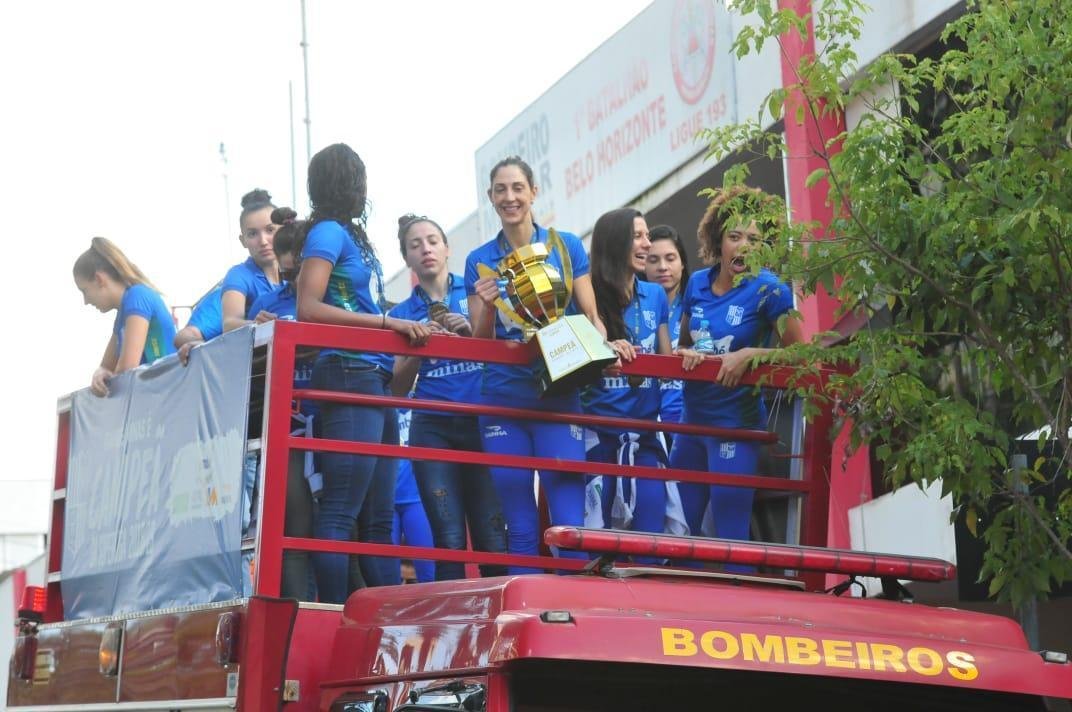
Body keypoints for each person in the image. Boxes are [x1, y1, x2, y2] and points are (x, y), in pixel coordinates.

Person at [295, 143, 434, 602]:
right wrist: (386, 322)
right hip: (346, 372)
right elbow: (308, 307)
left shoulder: (350, 236)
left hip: (372, 377)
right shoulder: (328, 233)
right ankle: (336, 616)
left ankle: (384, 621)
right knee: (340, 511)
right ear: (350, 182)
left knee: (377, 516)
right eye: (361, 178)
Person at [465, 156, 605, 574]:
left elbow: (591, 317)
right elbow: (480, 341)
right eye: (501, 190)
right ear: (491, 198)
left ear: (533, 191)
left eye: (517, 188)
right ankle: (523, 622)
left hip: (559, 393)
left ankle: (575, 623)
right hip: (503, 399)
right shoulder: (480, 258)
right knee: (520, 524)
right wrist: (487, 308)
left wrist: (604, 346)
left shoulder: (566, 246)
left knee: (569, 524)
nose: (510, 198)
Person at [671, 186, 803, 545]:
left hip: (736, 427)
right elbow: (681, 344)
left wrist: (750, 355)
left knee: (731, 537)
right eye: (735, 236)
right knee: (679, 533)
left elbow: (802, 356)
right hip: (690, 424)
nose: (744, 245)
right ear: (719, 240)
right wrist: (686, 353)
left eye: (754, 238)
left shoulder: (771, 290)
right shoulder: (696, 283)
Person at [390, 213, 507, 580]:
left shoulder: (474, 292)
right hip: (432, 427)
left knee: (492, 537)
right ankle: (453, 632)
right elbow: (395, 387)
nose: (425, 249)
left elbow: (500, 352)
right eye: (415, 245)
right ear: (406, 258)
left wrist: (471, 331)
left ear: (447, 248)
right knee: (449, 538)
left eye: (432, 241)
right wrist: (418, 347)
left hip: (481, 422)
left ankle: (500, 626)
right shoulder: (400, 313)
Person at [582, 209, 671, 552]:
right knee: (600, 550)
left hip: (646, 437)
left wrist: (690, 356)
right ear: (613, 242)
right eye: (637, 236)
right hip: (597, 440)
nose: (647, 244)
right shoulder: (585, 297)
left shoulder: (656, 295)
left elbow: (667, 361)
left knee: (651, 543)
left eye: (647, 235)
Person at [243, 206, 317, 600]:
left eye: (302, 272)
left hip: (333, 422)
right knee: (296, 529)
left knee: (345, 530)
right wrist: (262, 332)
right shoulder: (268, 305)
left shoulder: (334, 299)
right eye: (287, 275)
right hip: (290, 428)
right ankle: (299, 619)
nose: (294, 283)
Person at [73, 237, 176, 397]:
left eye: (84, 291)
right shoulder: (123, 312)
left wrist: (106, 375)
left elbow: (128, 367)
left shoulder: (137, 296)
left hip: (170, 394)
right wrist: (99, 373)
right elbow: (106, 366)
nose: (86, 301)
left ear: (100, 280)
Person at [644, 224, 691, 448]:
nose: (663, 267)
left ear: (682, 262)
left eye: (670, 258)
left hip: (691, 423)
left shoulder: (700, 305)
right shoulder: (632, 308)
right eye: (653, 260)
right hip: (648, 426)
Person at [222, 189, 281, 333]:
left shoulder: (299, 270)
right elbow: (229, 324)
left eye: (270, 230)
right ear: (243, 241)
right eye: (253, 233)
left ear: (283, 230)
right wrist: (256, 324)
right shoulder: (238, 275)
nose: (263, 241)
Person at [392, 409, 434, 584]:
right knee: (385, 575)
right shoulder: (382, 394)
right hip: (384, 499)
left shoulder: (423, 397)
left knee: (429, 572)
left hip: (418, 499)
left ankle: (433, 610)